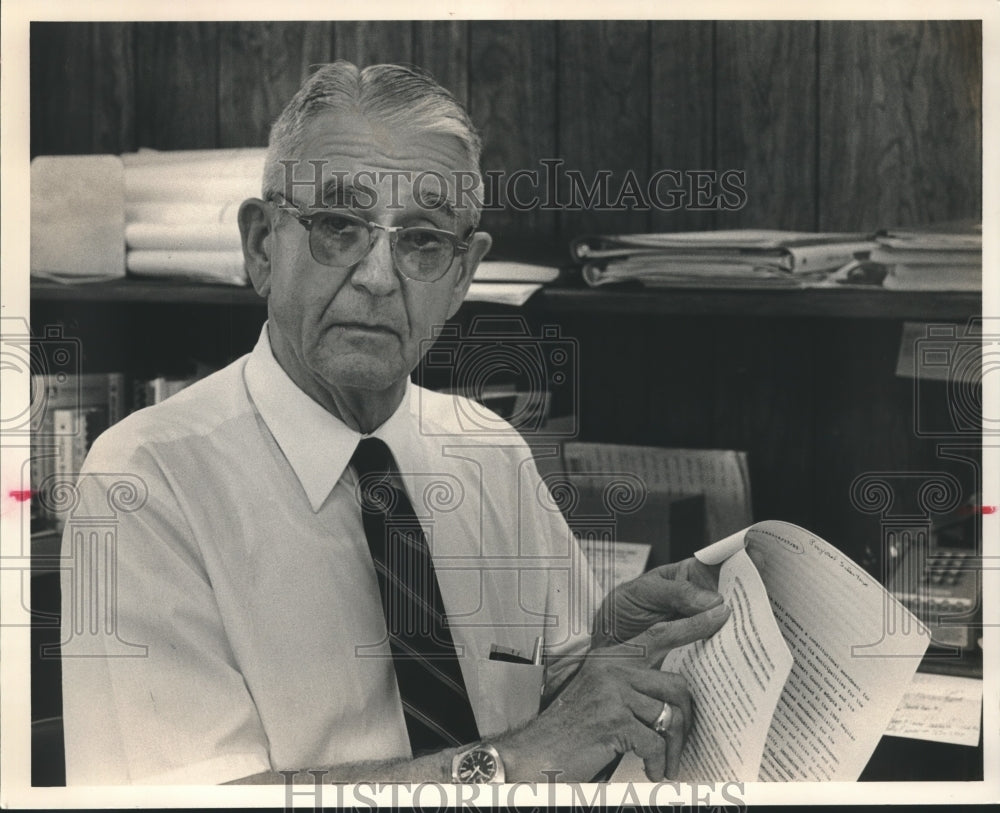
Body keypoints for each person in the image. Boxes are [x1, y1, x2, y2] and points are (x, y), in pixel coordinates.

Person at [60, 61, 730, 785]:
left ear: (461, 277)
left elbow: (557, 715)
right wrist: (519, 758)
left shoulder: (488, 449)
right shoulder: (144, 481)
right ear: (261, 247)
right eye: (337, 226)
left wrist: (607, 647)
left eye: (422, 240)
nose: (379, 276)